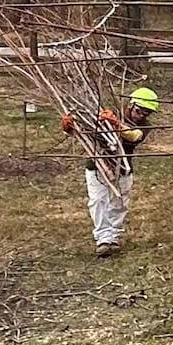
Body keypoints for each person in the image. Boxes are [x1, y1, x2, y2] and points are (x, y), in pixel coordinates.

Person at [65, 86, 160, 258]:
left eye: (146, 113)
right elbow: (86, 131)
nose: (141, 116)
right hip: (97, 166)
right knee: (98, 201)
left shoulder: (144, 126)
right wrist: (70, 128)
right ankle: (103, 239)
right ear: (131, 105)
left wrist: (116, 124)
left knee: (119, 204)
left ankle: (113, 237)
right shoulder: (106, 114)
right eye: (140, 111)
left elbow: (134, 136)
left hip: (122, 169)